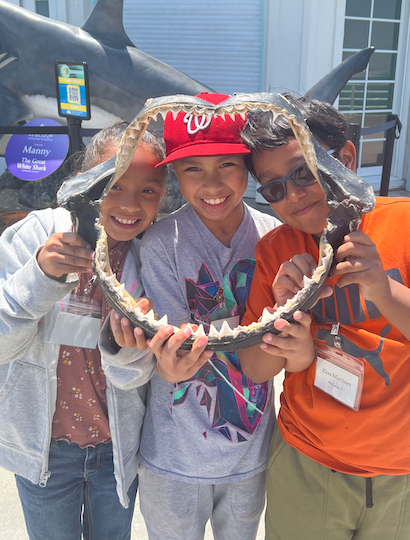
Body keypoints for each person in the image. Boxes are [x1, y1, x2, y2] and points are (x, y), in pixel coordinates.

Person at [237, 95, 410, 540]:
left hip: (407, 470)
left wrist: (385, 291)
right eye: (273, 188)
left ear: (346, 157)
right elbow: (254, 369)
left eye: (304, 172)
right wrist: (285, 317)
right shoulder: (276, 251)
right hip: (307, 465)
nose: (292, 196)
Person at [0, 122, 168, 540]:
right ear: (82, 180)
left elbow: (137, 378)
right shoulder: (36, 235)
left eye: (148, 190)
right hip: (44, 450)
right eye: (112, 185)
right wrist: (39, 276)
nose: (129, 204)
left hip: (116, 450)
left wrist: (124, 349)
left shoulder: (150, 259)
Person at [101, 92, 281, 540]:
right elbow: (174, 345)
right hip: (173, 456)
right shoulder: (160, 242)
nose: (212, 184)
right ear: (176, 175)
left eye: (227, 165)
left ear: (248, 168)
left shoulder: (274, 238)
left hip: (249, 453)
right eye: (193, 169)